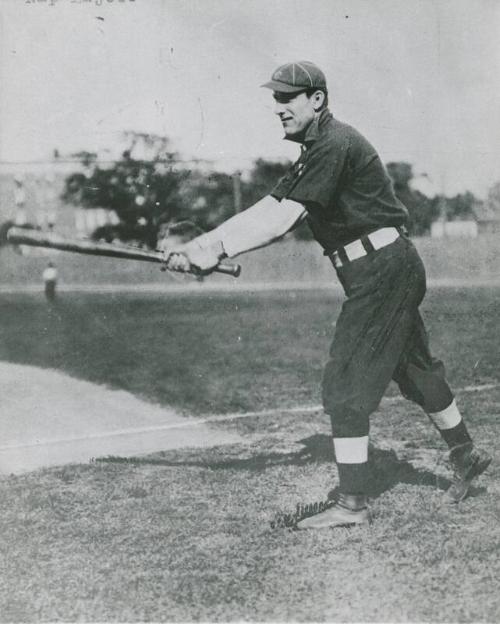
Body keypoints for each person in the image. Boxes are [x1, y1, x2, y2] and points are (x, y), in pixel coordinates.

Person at [163, 61, 491, 530]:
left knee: (345, 383)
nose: (279, 108)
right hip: (383, 267)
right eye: (275, 99)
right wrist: (202, 246)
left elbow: (280, 221)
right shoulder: (317, 149)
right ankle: (465, 453)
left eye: (288, 98)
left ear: (317, 100)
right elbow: (268, 207)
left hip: (381, 269)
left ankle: (352, 503)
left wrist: (212, 248)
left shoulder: (333, 144)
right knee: (414, 367)